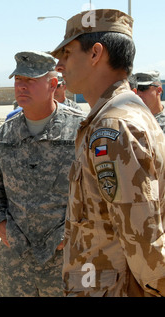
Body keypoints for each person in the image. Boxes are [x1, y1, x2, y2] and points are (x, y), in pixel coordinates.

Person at [53, 9, 165, 296]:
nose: (59, 64)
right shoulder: (124, 114)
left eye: (67, 53)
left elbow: (146, 245)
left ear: (95, 54)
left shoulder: (114, 126)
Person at [0, 51, 86, 297]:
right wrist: (0, 224)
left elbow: (97, 191)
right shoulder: (6, 133)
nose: (21, 86)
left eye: (30, 80)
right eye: (18, 80)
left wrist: (72, 232)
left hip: (67, 255)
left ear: (53, 84)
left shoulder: (81, 128)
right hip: (17, 258)